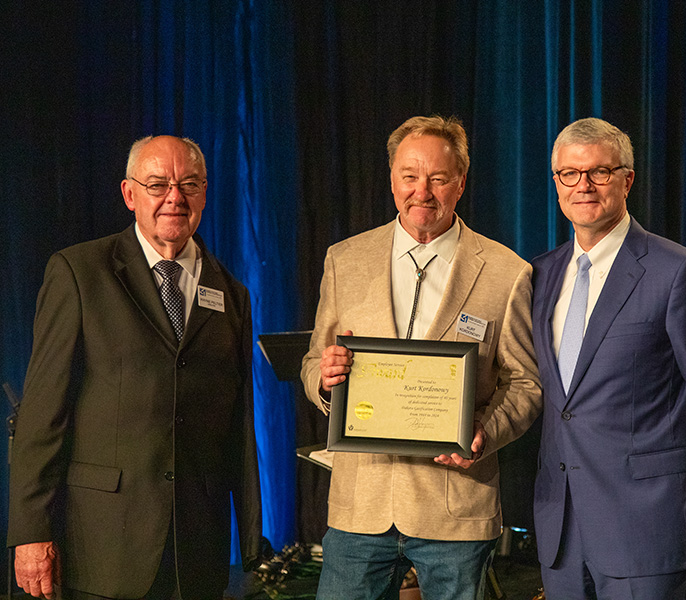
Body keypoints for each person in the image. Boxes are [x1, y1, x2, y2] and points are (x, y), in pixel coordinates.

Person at [8, 136, 264, 600]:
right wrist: (30, 532)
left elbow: (240, 425)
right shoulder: (79, 272)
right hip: (103, 546)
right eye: (157, 184)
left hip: (199, 549)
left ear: (205, 193)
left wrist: (250, 536)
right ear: (130, 195)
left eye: (188, 184)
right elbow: (43, 415)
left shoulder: (232, 293)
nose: (174, 197)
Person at [301, 115, 542, 600]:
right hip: (360, 505)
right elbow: (312, 362)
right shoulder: (344, 259)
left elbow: (525, 384)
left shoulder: (506, 272)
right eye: (409, 176)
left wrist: (484, 433)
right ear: (392, 180)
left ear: (460, 184)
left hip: (456, 508)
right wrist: (324, 381)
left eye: (438, 178)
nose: (422, 192)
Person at [530, 117, 686, 599]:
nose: (583, 185)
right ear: (557, 184)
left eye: (599, 172)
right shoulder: (540, 275)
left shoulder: (678, 271)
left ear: (627, 179)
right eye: (569, 173)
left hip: (650, 527)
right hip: (561, 531)